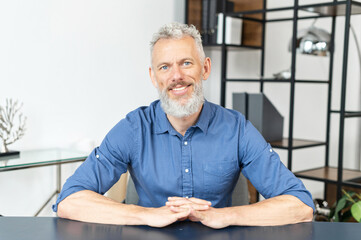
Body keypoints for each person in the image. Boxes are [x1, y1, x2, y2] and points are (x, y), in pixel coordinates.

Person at [53, 22, 314, 229]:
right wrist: (146, 215)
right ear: (153, 77)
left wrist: (225, 215)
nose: (176, 76)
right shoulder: (133, 128)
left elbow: (300, 205)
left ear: (205, 68)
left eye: (186, 63)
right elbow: (69, 201)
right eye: (165, 67)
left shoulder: (237, 129)